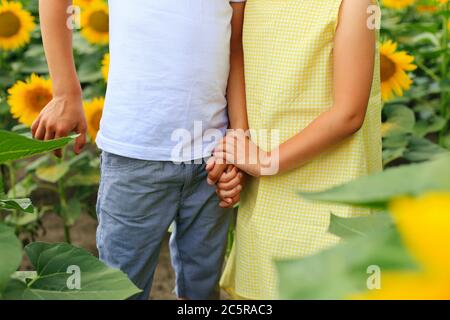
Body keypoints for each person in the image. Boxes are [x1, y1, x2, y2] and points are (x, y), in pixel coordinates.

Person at [34, 0, 246, 300]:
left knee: (202, 291)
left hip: (212, 157)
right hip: (135, 154)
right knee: (121, 289)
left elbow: (234, 46)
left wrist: (237, 138)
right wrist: (66, 91)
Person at [209, 0, 382, 299]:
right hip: (266, 201)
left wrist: (265, 162)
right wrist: (239, 150)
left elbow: (348, 114)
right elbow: (235, 53)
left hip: (331, 198)